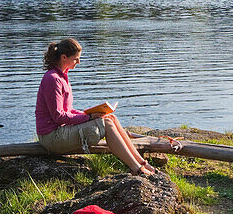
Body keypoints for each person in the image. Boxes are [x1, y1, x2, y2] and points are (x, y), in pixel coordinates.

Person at [35, 38, 157, 175]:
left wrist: (89, 114)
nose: (79, 62)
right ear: (64, 57)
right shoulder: (53, 79)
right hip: (52, 138)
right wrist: (88, 118)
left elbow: (67, 111)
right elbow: (58, 116)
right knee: (107, 125)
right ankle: (137, 169)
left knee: (111, 118)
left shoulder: (62, 77)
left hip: (61, 131)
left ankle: (142, 163)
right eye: (76, 59)